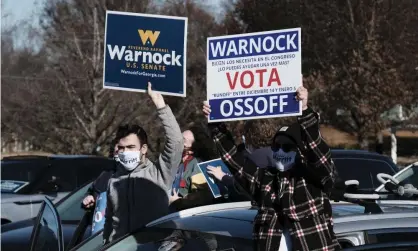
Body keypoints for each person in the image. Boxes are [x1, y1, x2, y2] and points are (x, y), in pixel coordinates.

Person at [203, 86, 341, 251]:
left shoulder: (314, 180)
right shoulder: (264, 181)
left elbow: (319, 152)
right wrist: (215, 121)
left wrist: (304, 110)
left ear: (299, 151)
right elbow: (234, 160)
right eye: (277, 146)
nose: (281, 151)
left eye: (287, 147)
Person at [103, 82, 183, 244]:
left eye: (131, 147)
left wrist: (160, 105)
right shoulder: (114, 181)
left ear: (143, 149)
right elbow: (110, 221)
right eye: (122, 148)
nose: (125, 152)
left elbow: (176, 142)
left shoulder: (159, 173)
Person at [82, 142, 119, 210]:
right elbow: (92, 192)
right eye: (117, 151)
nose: (119, 151)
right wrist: (88, 199)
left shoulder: (140, 177)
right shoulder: (106, 175)